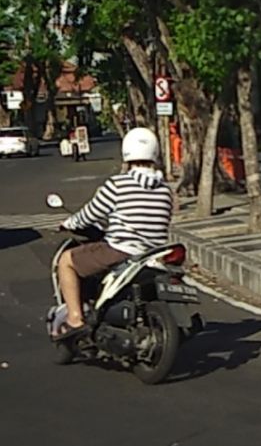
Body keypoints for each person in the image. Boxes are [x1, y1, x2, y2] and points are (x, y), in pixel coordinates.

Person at [53, 127, 175, 339]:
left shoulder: (117, 185)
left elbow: (90, 214)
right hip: (154, 253)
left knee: (66, 261)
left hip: (120, 250)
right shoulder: (165, 189)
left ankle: (74, 318)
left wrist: (70, 222)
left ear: (126, 154)